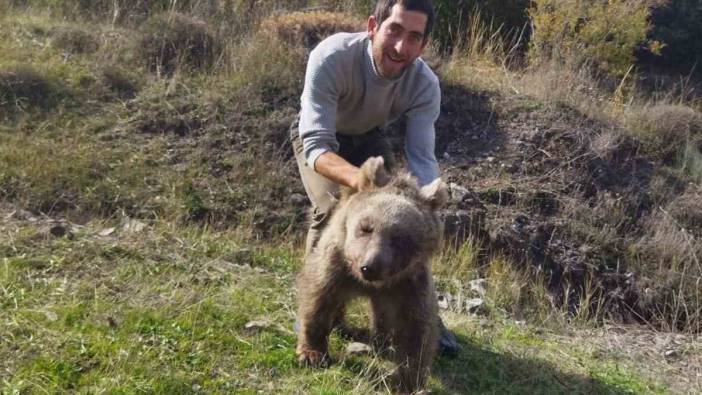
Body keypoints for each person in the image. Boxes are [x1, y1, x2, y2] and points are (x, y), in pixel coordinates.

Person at [291, 0, 459, 356]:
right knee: (334, 210)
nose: (401, 47)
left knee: (401, 226)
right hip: (321, 141)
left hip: (370, 137)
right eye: (394, 30)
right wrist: (363, 186)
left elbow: (421, 158)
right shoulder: (333, 56)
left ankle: (418, 315)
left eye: (414, 37)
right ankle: (318, 309)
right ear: (372, 26)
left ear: (424, 44)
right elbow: (317, 146)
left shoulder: (424, 85)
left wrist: (427, 208)